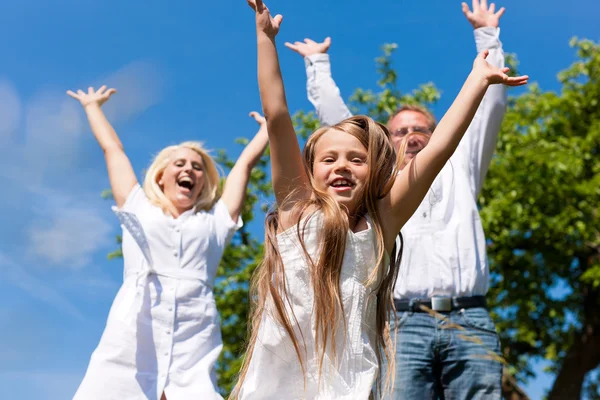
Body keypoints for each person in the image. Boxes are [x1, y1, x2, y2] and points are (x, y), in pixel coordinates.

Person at [233, 1, 527, 399]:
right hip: (282, 383)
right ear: (310, 168)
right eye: (329, 159)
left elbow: (439, 150)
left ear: (377, 171)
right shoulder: (294, 210)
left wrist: (476, 80)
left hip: (350, 384)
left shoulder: (380, 225)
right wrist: (264, 38)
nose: (342, 167)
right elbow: (278, 113)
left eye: (357, 160)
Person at [67, 86, 269, 400]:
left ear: (204, 181)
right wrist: (93, 107)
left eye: (197, 167)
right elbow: (113, 149)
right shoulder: (138, 206)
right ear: (161, 176)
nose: (189, 169)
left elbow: (243, 167)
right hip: (133, 330)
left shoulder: (214, 222)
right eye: (180, 164)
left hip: (194, 332)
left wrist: (269, 129)